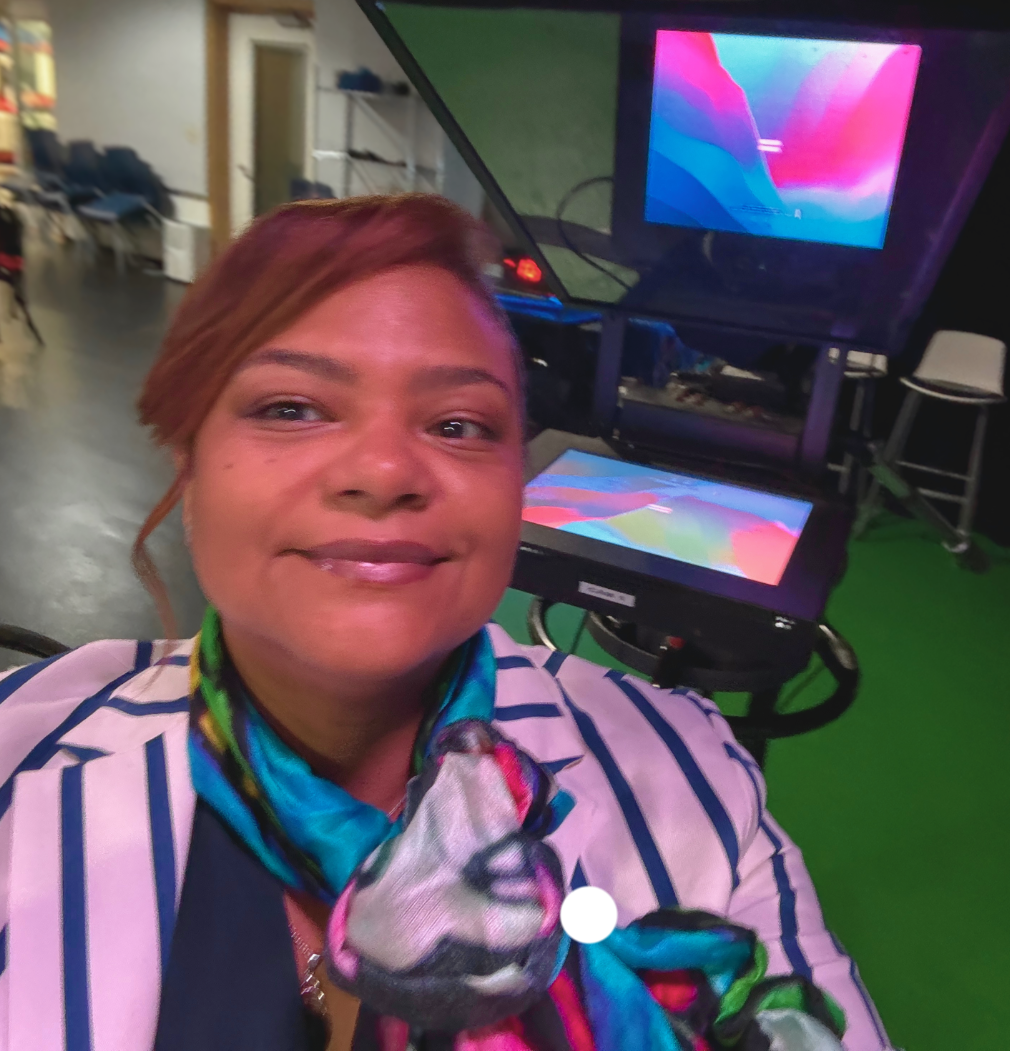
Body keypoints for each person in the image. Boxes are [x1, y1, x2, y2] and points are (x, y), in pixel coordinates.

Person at [0, 195, 892, 1051]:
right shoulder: (19, 771)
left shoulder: (692, 775)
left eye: (459, 423)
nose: (385, 468)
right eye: (291, 408)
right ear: (187, 466)